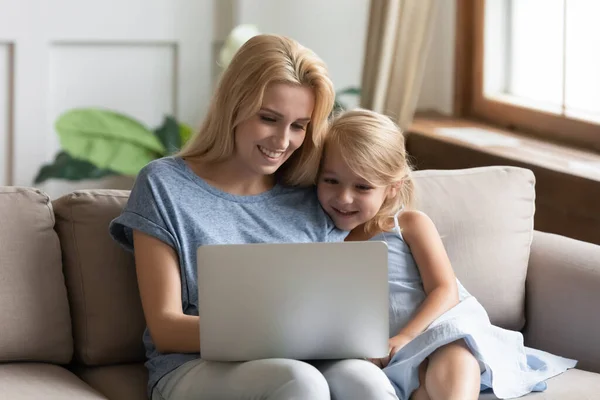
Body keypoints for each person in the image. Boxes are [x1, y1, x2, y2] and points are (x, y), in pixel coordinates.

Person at [109, 35, 398, 400]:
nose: (282, 140)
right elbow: (166, 329)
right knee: (299, 382)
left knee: (365, 382)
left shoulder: (313, 192)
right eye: (268, 119)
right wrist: (282, 333)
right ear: (234, 106)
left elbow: (386, 220)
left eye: (299, 125)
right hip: (194, 366)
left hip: (309, 360)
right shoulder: (163, 184)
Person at [316, 108, 577, 400]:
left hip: (437, 326)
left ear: (392, 188)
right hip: (386, 353)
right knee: (420, 389)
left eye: (362, 186)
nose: (343, 197)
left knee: (453, 350)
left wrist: (407, 336)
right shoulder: (319, 235)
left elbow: (445, 289)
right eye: (330, 181)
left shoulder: (408, 224)